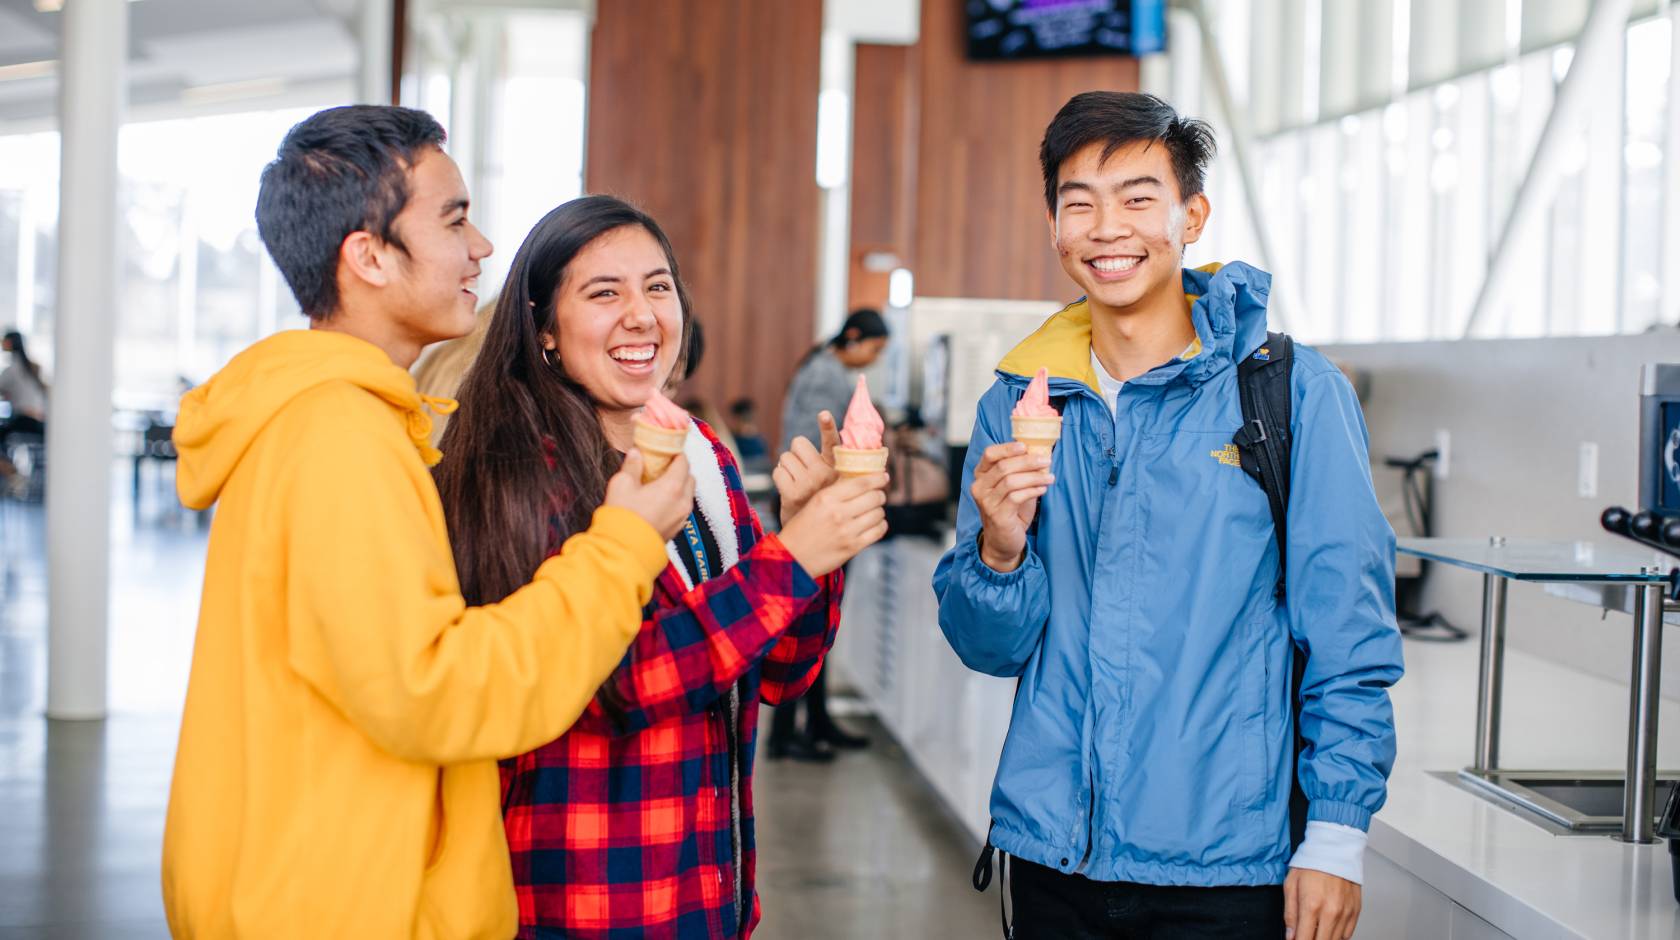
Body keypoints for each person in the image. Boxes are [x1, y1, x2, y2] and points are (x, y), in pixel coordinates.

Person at [161, 106, 696, 938]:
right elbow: (435, 694)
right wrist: (623, 543)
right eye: (453, 219)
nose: (481, 247)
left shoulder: (345, 424)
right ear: (368, 256)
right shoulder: (336, 439)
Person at [933, 91, 1403, 940]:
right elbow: (986, 647)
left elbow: (1348, 631)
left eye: (1139, 198)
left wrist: (1336, 836)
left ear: (1192, 216)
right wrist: (999, 553)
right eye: (1080, 202)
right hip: (1052, 859)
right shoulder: (1018, 403)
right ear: (1054, 227)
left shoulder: (1291, 395)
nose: (1108, 228)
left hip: (1228, 869)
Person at [432, 194, 889, 938]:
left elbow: (778, 674)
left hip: (705, 893)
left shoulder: (700, 454)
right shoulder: (517, 472)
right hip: (593, 899)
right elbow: (615, 684)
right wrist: (793, 558)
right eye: (603, 292)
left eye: (657, 286)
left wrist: (810, 548)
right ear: (544, 329)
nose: (641, 314)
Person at [766, 307, 890, 760]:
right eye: (873, 350)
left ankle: (815, 723)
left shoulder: (826, 368)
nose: (873, 360)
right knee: (804, 618)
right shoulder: (826, 374)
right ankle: (786, 732)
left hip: (822, 508)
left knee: (819, 620)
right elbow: (808, 447)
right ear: (853, 338)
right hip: (815, 510)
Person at [0, 330, 47, 495]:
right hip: (40, 422)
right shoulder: (33, 367)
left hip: (25, 420)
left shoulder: (12, 370)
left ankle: (13, 473)